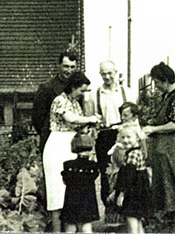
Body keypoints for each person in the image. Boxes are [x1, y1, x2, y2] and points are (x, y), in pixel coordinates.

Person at [43, 71, 102, 232]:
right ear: (73, 87)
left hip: (71, 145)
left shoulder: (75, 102)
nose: (83, 94)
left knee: (72, 191)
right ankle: (57, 230)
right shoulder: (60, 100)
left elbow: (79, 123)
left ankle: (71, 228)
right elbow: (71, 119)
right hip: (57, 144)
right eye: (82, 90)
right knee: (56, 191)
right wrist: (90, 119)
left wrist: (92, 123)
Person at [142, 62, 175, 234]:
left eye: (156, 82)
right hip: (164, 149)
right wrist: (151, 123)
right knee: (166, 186)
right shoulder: (167, 96)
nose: (155, 86)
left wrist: (153, 129)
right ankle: (169, 226)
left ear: (164, 80)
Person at [84, 60, 138, 204]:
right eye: (103, 74)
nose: (107, 77)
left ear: (115, 72)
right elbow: (90, 119)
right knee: (106, 172)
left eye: (109, 73)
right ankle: (110, 211)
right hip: (105, 136)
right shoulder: (94, 94)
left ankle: (127, 209)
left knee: (126, 170)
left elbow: (135, 117)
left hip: (125, 134)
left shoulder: (127, 92)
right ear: (100, 74)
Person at [33, 51, 78, 153]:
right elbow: (37, 118)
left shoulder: (78, 88)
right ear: (59, 66)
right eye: (66, 66)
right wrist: (47, 133)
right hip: (52, 139)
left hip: (73, 139)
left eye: (72, 67)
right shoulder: (47, 87)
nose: (69, 70)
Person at [112, 125, 153, 233]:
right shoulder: (137, 151)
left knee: (131, 219)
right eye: (123, 137)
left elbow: (128, 177)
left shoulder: (132, 154)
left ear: (137, 138)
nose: (125, 140)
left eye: (129, 137)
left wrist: (121, 194)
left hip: (133, 191)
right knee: (137, 219)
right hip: (140, 189)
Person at [60, 130, 100, 233]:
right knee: (86, 226)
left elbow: (65, 181)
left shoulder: (68, 165)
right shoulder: (93, 166)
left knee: (70, 226)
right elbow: (94, 177)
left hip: (71, 199)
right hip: (88, 199)